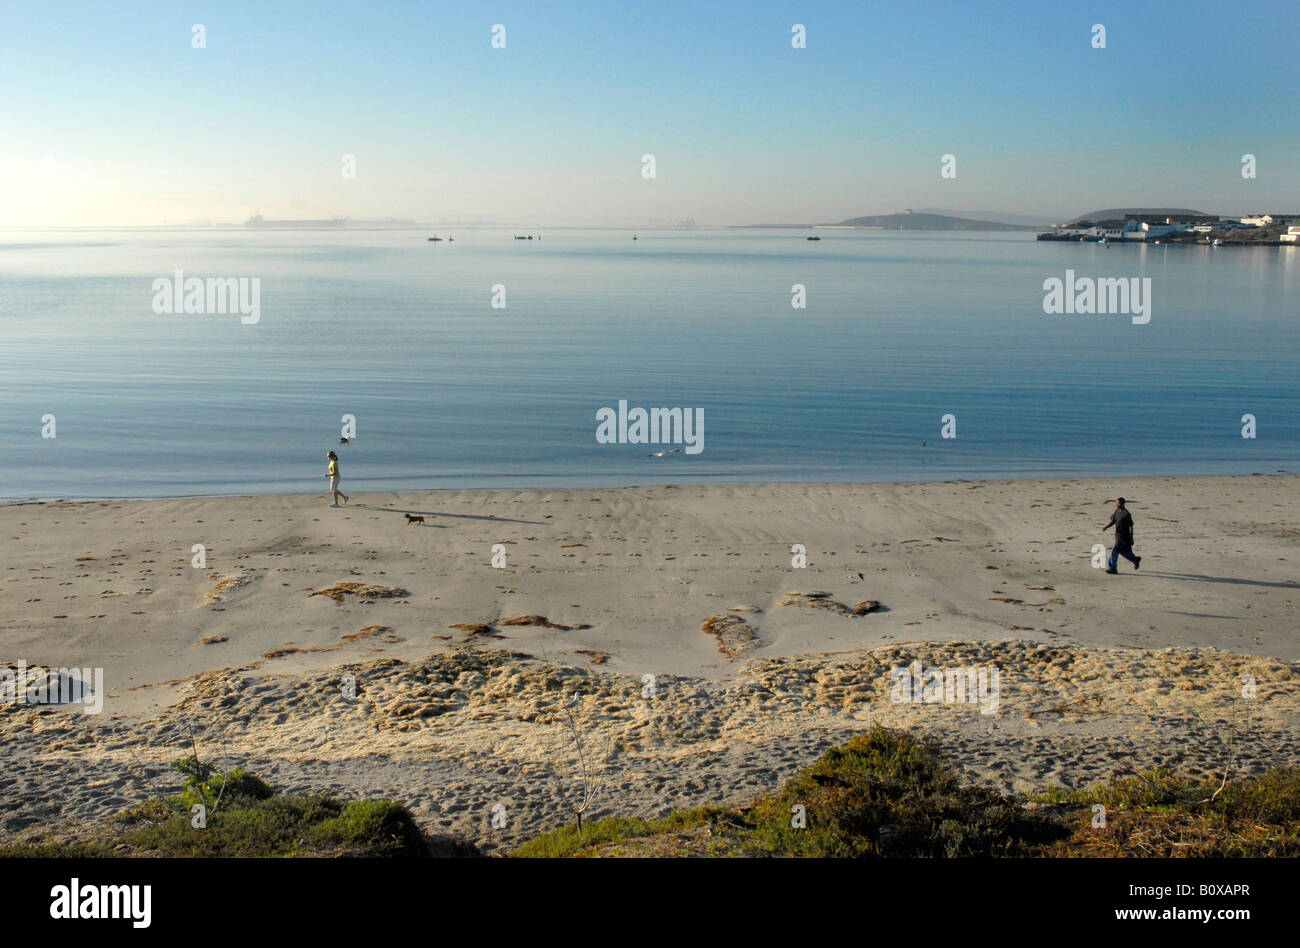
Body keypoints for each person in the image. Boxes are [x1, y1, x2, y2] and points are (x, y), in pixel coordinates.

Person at [1102, 496, 1140, 573]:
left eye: (1118, 503)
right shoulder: (1117, 511)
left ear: (1122, 504)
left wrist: (1131, 538)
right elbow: (1113, 521)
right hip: (1118, 536)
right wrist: (1106, 527)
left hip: (1125, 537)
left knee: (1115, 551)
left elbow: (1131, 526)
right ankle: (1135, 560)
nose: (1116, 504)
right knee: (1123, 552)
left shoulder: (1126, 514)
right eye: (1116, 503)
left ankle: (1112, 568)